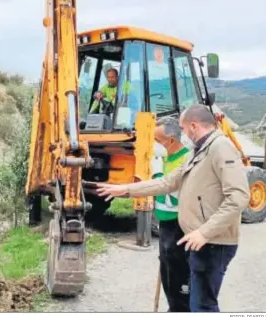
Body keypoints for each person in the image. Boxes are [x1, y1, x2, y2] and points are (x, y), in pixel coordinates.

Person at [95, 105, 250, 312]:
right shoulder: (197, 151)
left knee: (203, 305)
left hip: (214, 242)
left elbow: (238, 197)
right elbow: (167, 183)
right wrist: (125, 190)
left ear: (193, 126)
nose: (182, 134)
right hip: (200, 240)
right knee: (195, 302)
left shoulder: (221, 147)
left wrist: (204, 232)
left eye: (183, 128)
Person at [152, 117, 191, 312]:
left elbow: (169, 191)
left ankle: (181, 309)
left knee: (178, 273)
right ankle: (174, 307)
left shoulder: (185, 160)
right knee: (166, 270)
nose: (155, 145)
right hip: (164, 223)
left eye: (157, 140)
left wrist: (157, 176)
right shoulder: (166, 157)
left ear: (171, 140)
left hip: (179, 225)